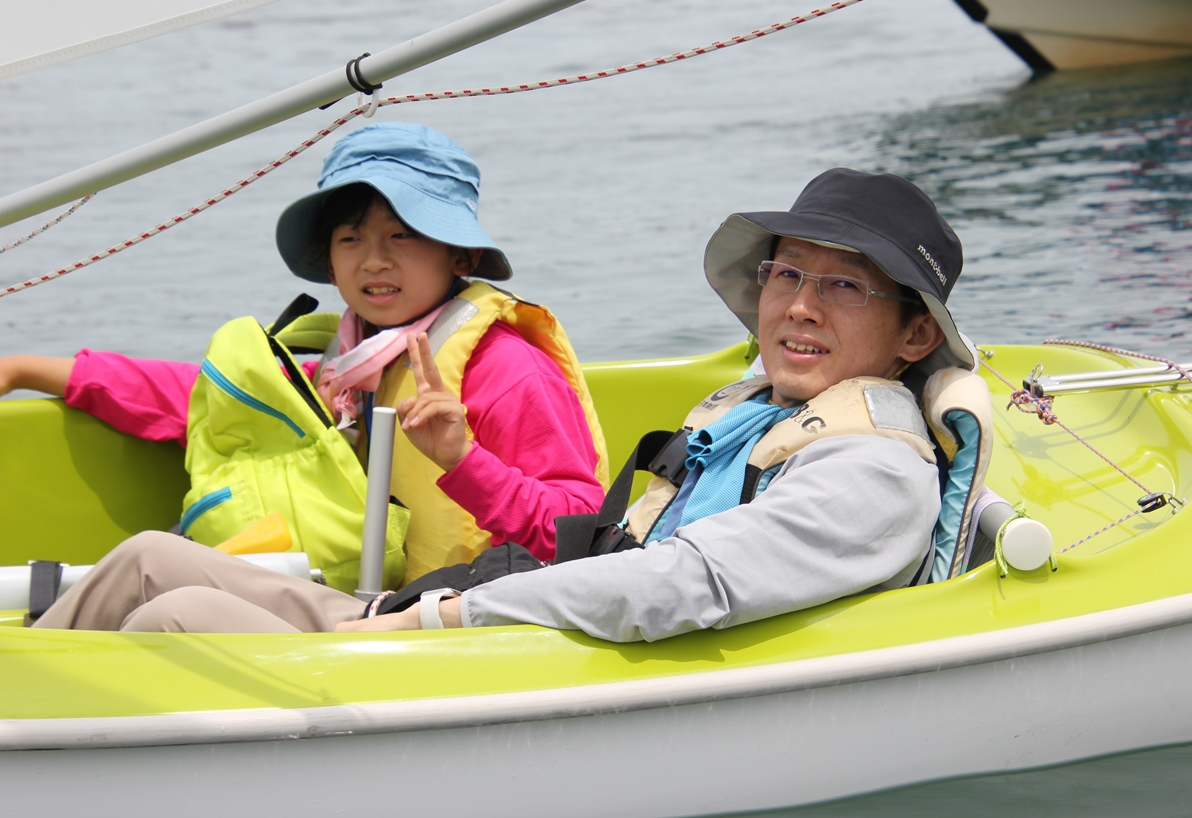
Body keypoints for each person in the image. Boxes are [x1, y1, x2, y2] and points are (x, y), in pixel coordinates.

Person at [35, 167, 976, 639]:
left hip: (496, 657)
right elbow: (210, 398)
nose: (800, 306)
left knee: (172, 621)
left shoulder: (870, 470)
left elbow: (680, 585)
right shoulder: (756, 407)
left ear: (914, 335)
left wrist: (442, 615)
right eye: (786, 274)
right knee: (151, 559)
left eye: (844, 286)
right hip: (472, 611)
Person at [3, 123, 608, 593]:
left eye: (402, 234)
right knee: (156, 565)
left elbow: (580, 532)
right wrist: (23, 369)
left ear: (461, 257)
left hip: (450, 620)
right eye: (351, 238)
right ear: (330, 261)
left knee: (151, 566)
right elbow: (205, 395)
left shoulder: (505, 368)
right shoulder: (345, 362)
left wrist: (462, 459)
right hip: (356, 602)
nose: (373, 259)